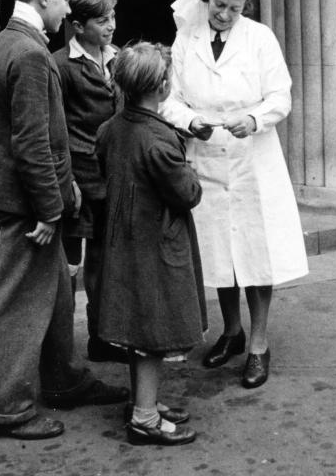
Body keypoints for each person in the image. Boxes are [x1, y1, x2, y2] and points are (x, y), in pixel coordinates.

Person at [0, 0, 128, 440]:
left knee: (57, 292)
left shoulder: (4, 44)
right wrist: (49, 207)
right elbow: (32, 142)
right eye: (65, 1)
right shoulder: (31, 53)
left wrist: (58, 193)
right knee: (21, 303)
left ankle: (61, 379)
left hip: (23, 195)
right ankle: (7, 407)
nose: (69, 11)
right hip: (29, 206)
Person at [161, 0, 308, 389]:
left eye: (235, 8)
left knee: (256, 251)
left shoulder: (260, 38)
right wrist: (191, 123)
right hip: (205, 153)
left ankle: (259, 344)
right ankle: (231, 331)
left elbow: (281, 96)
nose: (225, 14)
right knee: (219, 250)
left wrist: (257, 119)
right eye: (219, 4)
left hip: (252, 157)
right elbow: (170, 99)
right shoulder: (186, 38)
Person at [96, 42, 207, 446]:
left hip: (124, 240)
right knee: (152, 332)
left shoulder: (112, 129)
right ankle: (143, 417)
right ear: (161, 86)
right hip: (156, 245)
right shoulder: (160, 141)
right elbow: (188, 194)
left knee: (136, 326)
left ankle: (144, 400)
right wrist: (189, 162)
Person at [53, 0, 125, 363]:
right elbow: (56, 129)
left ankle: (101, 337)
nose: (110, 25)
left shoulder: (120, 59)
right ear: (78, 26)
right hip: (78, 181)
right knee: (67, 266)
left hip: (112, 177)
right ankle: (59, 349)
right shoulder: (60, 65)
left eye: (112, 17)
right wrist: (68, 182)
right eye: (101, 20)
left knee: (103, 264)